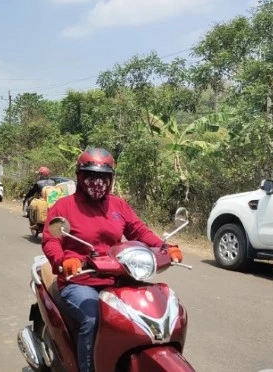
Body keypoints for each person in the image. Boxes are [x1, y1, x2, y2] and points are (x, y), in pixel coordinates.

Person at [41, 148, 183, 372]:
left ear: (111, 179)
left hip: (118, 278)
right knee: (92, 319)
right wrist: (63, 261)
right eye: (91, 176)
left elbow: (139, 230)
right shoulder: (64, 206)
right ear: (80, 176)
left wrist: (164, 247)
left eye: (104, 177)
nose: (98, 182)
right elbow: (51, 240)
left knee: (147, 313)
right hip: (81, 280)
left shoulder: (117, 205)